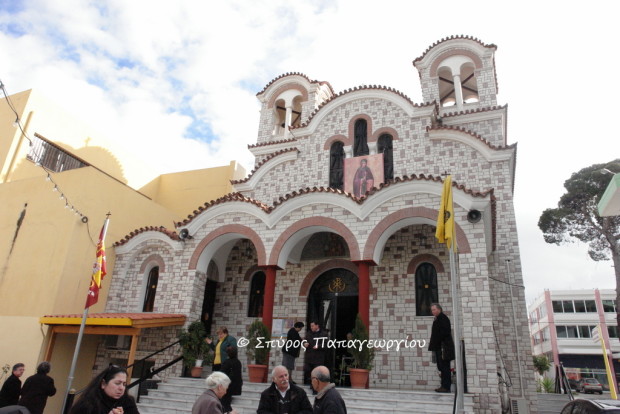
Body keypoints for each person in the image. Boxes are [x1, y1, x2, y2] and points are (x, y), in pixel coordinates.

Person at [68, 364, 139, 414]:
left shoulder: (128, 402)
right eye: (117, 383)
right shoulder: (87, 405)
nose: (121, 388)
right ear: (103, 384)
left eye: (124, 384)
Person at [428, 303, 454, 393]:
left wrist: (437, 340)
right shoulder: (438, 319)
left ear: (439, 309)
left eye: (434, 309)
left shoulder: (443, 318)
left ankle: (446, 386)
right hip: (440, 346)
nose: (433, 311)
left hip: (443, 347)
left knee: (444, 367)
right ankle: (444, 385)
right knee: (441, 367)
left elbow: (444, 333)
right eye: (432, 310)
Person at [303, 322, 327, 390]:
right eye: (311, 326)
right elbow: (304, 341)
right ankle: (312, 384)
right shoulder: (309, 333)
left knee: (316, 373)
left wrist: (318, 346)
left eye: (313, 326)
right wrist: (304, 344)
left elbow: (326, 345)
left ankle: (315, 388)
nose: (311, 327)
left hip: (318, 357)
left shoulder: (323, 334)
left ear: (317, 325)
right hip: (309, 357)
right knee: (308, 370)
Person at [220, 346, 242, 413]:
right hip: (235, 386)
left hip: (228, 386)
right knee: (226, 403)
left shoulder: (227, 362)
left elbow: (221, 373)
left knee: (224, 403)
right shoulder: (238, 362)